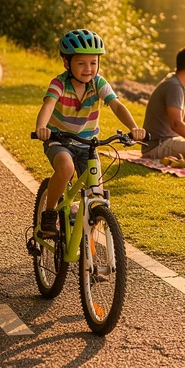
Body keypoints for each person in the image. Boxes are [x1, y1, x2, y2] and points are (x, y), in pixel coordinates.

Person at [35, 29, 145, 237]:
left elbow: (117, 105)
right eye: (81, 63)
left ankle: (87, 246)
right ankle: (49, 214)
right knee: (66, 168)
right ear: (67, 63)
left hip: (88, 144)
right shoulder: (59, 83)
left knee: (97, 194)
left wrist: (134, 128)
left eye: (93, 63)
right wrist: (42, 127)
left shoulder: (99, 83)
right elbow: (48, 105)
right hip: (59, 140)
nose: (88, 69)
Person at [141, 46, 185, 160]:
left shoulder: (179, 84)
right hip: (157, 146)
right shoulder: (174, 87)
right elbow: (176, 124)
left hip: (169, 141)